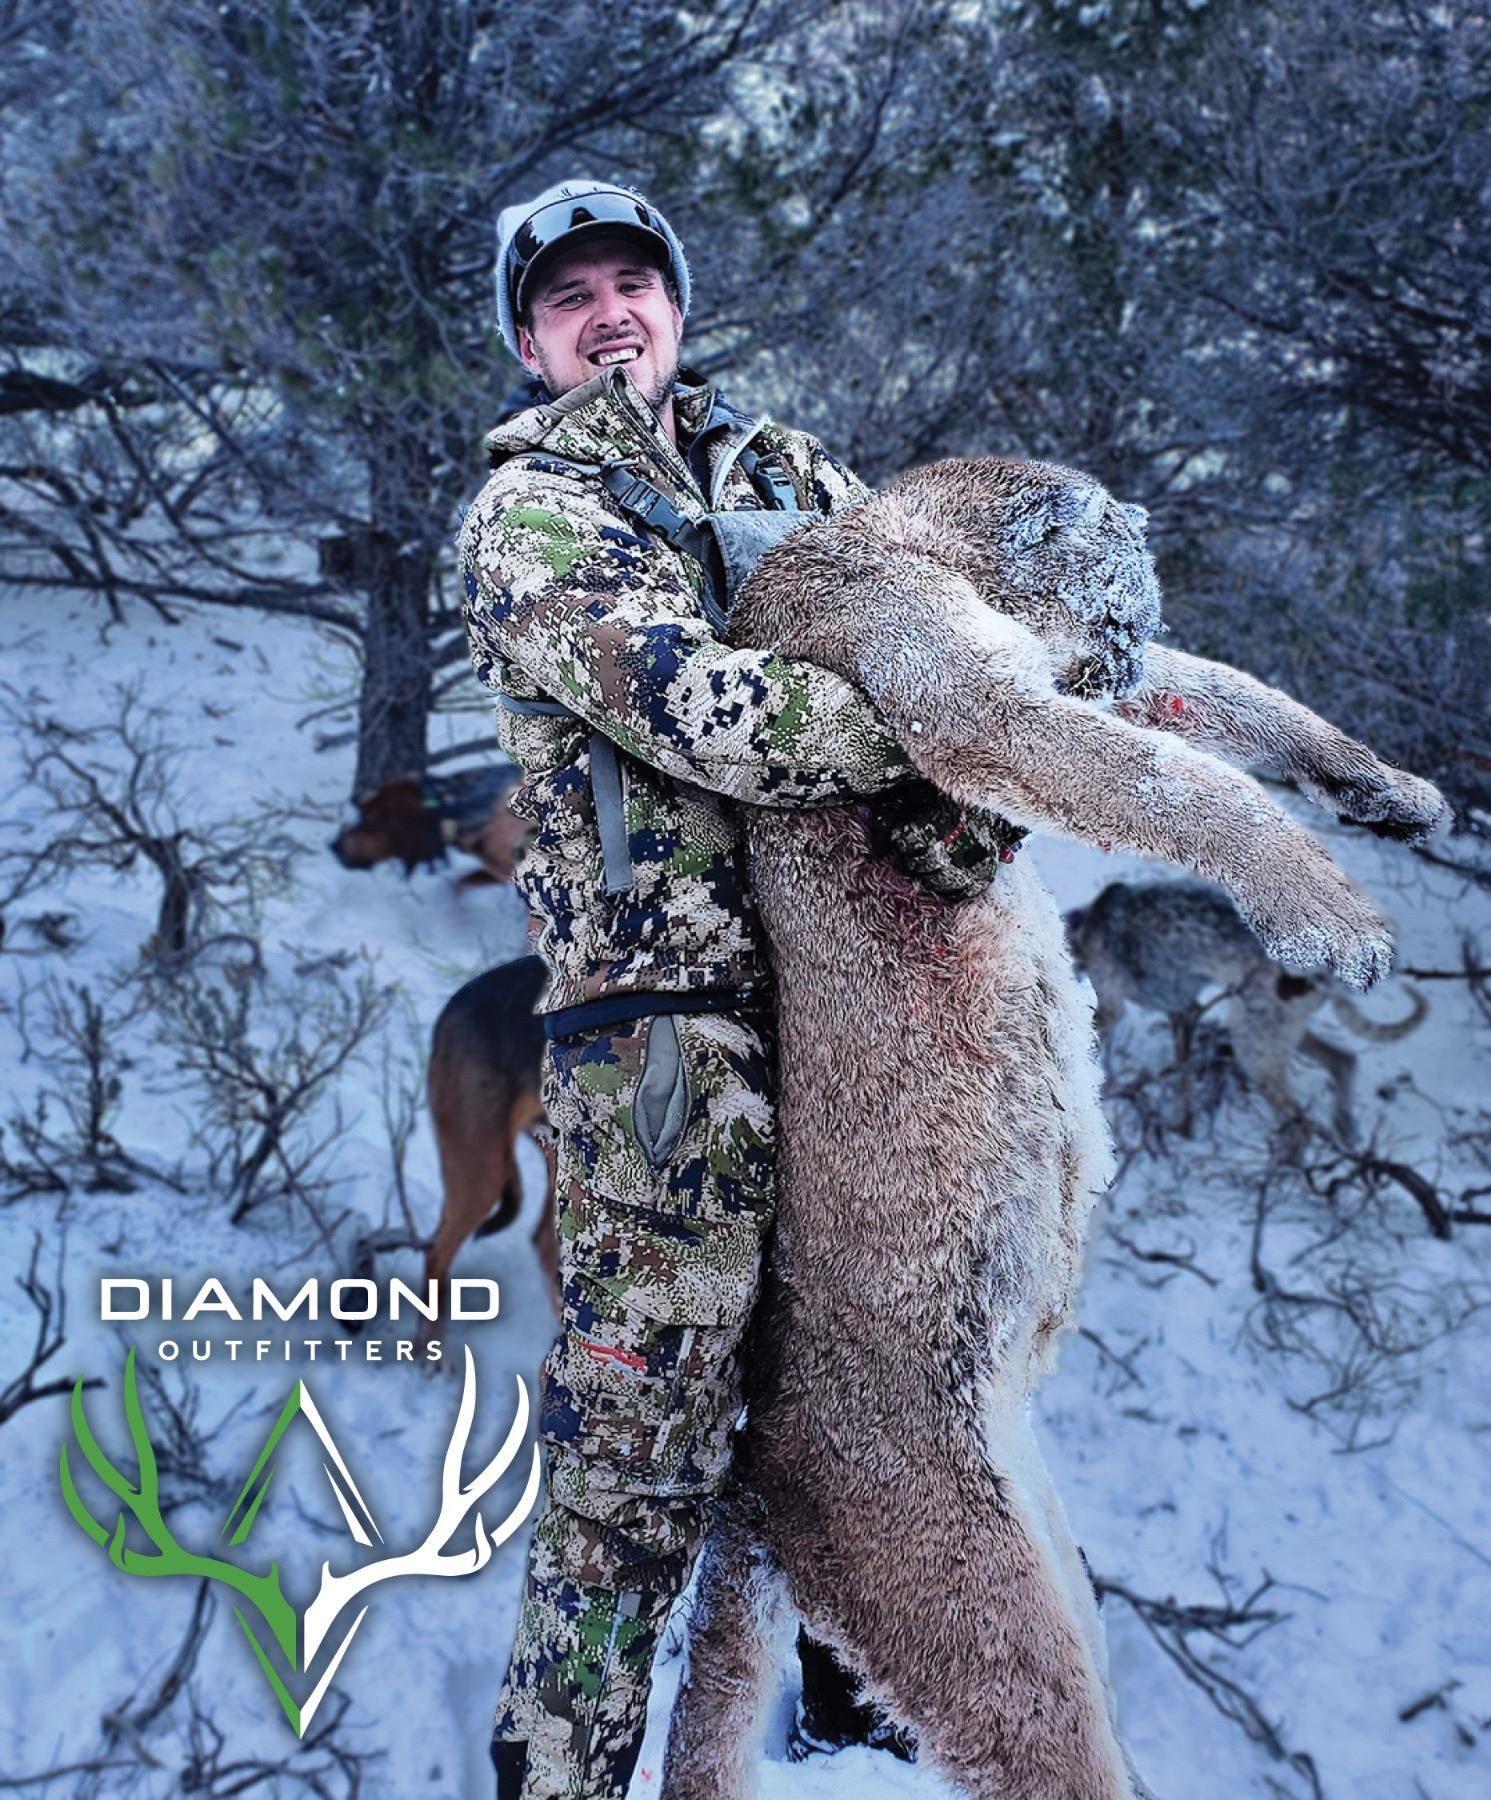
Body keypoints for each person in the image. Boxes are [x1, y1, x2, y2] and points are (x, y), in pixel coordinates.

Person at [459, 180, 1010, 1800]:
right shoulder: (530, 513)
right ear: (530, 344)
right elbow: (699, 710)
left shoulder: (798, 480)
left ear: (679, 309)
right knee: (635, 1469)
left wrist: (976, 788)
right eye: (569, 297)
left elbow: (942, 642)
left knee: (875, 1413)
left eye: (634, 282)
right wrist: (950, 733)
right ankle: (560, 1778)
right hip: (664, 1052)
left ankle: (858, 1745)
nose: (609, 313)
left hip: (866, 1023)